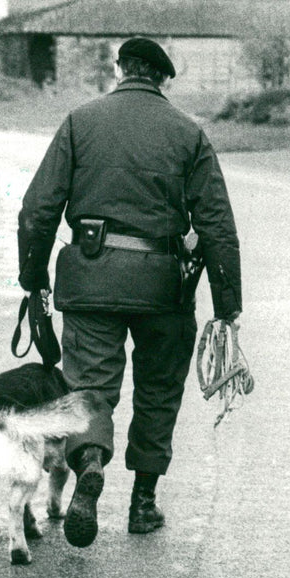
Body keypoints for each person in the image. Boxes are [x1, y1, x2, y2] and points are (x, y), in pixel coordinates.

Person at [17, 37, 241, 547]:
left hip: (91, 279)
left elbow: (38, 208)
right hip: (164, 285)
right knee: (159, 389)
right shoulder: (188, 133)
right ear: (163, 78)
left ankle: (91, 463)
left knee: (90, 387)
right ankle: (142, 503)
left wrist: (34, 279)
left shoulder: (80, 122)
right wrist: (228, 306)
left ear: (120, 70)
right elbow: (216, 224)